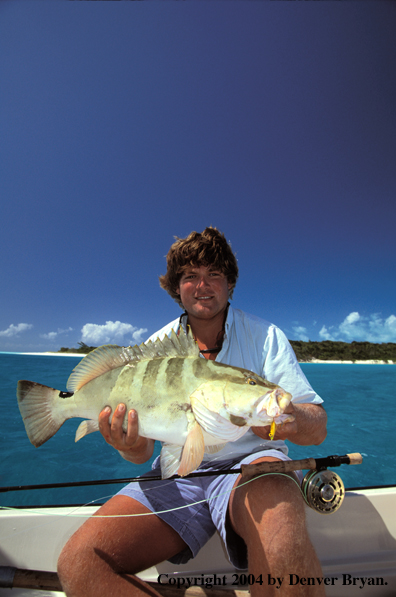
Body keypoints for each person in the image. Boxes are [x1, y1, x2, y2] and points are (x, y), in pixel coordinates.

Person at [58, 227, 327, 596]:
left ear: (230, 283)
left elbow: (317, 428)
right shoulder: (157, 346)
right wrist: (127, 443)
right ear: (176, 287)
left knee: (280, 533)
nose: (203, 285)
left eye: (214, 274)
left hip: (250, 468)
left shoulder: (266, 337)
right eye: (190, 276)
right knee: (80, 564)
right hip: (177, 472)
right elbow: (141, 455)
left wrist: (289, 416)